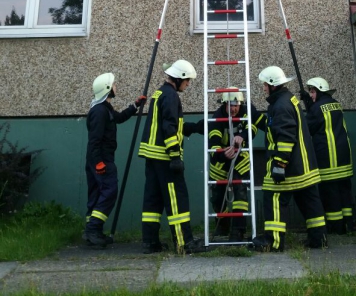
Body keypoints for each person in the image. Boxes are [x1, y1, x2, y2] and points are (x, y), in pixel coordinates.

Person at [253, 66, 327, 252]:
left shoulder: (280, 105)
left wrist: (279, 164)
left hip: (290, 167)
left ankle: (274, 242)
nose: (263, 87)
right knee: (311, 204)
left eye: (265, 84)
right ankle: (319, 239)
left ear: (272, 85)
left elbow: (285, 137)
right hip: (304, 167)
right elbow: (275, 129)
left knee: (274, 198)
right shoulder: (287, 100)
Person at [138, 59, 205, 254]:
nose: (188, 84)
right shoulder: (171, 96)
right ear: (180, 78)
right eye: (187, 81)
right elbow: (169, 127)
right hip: (166, 157)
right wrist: (175, 155)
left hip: (153, 156)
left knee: (153, 199)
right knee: (177, 198)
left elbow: (170, 125)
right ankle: (184, 242)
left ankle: (150, 242)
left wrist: (195, 127)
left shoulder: (160, 93)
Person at [85, 72, 146, 248]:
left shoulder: (105, 108)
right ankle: (93, 229)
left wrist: (135, 106)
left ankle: (92, 232)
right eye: (114, 85)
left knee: (97, 193)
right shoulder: (98, 111)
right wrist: (98, 162)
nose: (116, 87)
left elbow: (118, 118)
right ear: (107, 89)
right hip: (101, 160)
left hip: (101, 158)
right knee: (109, 191)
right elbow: (94, 140)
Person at [208, 90, 266, 242]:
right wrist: (222, 153)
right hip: (220, 161)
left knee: (240, 191)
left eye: (236, 105)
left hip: (240, 158)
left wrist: (244, 136)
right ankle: (222, 225)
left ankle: (238, 231)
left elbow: (255, 127)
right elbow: (213, 142)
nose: (234, 109)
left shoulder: (247, 111)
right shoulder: (217, 118)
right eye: (230, 105)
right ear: (224, 105)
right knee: (218, 197)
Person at [301, 77, 353, 234]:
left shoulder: (317, 109)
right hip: (344, 157)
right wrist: (311, 105)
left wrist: (310, 108)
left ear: (318, 91)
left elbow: (308, 128)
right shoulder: (336, 104)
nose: (310, 95)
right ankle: (348, 225)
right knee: (345, 193)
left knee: (330, 196)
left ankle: (335, 227)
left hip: (328, 159)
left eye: (312, 91)